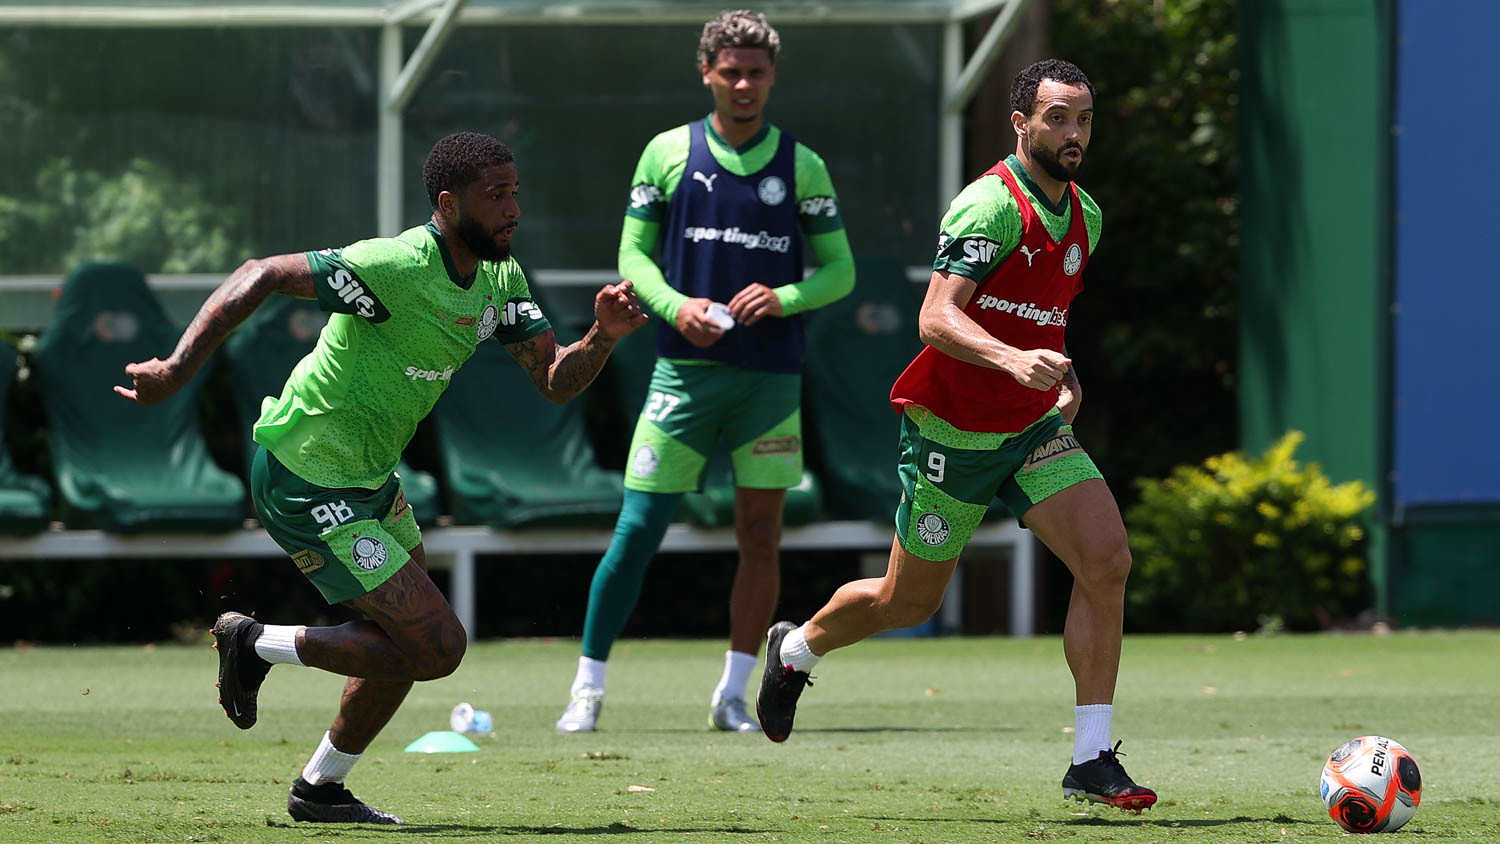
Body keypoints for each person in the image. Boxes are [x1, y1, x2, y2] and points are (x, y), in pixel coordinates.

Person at [115, 131, 647, 824]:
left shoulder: (500, 276)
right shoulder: (394, 265)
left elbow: (552, 379)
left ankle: (320, 787)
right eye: (497, 195)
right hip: (303, 476)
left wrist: (602, 337)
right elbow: (262, 273)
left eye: (516, 191)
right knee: (438, 645)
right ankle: (254, 642)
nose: (513, 208)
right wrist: (178, 372)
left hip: (368, 482)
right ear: (450, 204)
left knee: (407, 644)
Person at [755, 59, 1158, 812]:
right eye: (1058, 117)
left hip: (1030, 432)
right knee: (907, 603)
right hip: (951, 435)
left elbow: (1040, 316)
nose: (1074, 134)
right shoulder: (988, 207)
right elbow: (936, 317)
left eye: (1084, 119)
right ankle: (796, 650)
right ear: (1021, 122)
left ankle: (1091, 758)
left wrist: (1061, 378)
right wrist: (1011, 361)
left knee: (1107, 561)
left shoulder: (1086, 217)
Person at [555, 9, 855, 734]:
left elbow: (839, 271)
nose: (744, 83)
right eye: (731, 71)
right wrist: (672, 305)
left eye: (756, 72)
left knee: (760, 534)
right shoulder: (666, 152)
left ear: (773, 76)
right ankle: (586, 689)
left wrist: (784, 295)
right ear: (707, 72)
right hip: (683, 376)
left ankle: (733, 693)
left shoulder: (801, 165)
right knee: (637, 528)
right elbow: (632, 257)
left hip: (769, 383)